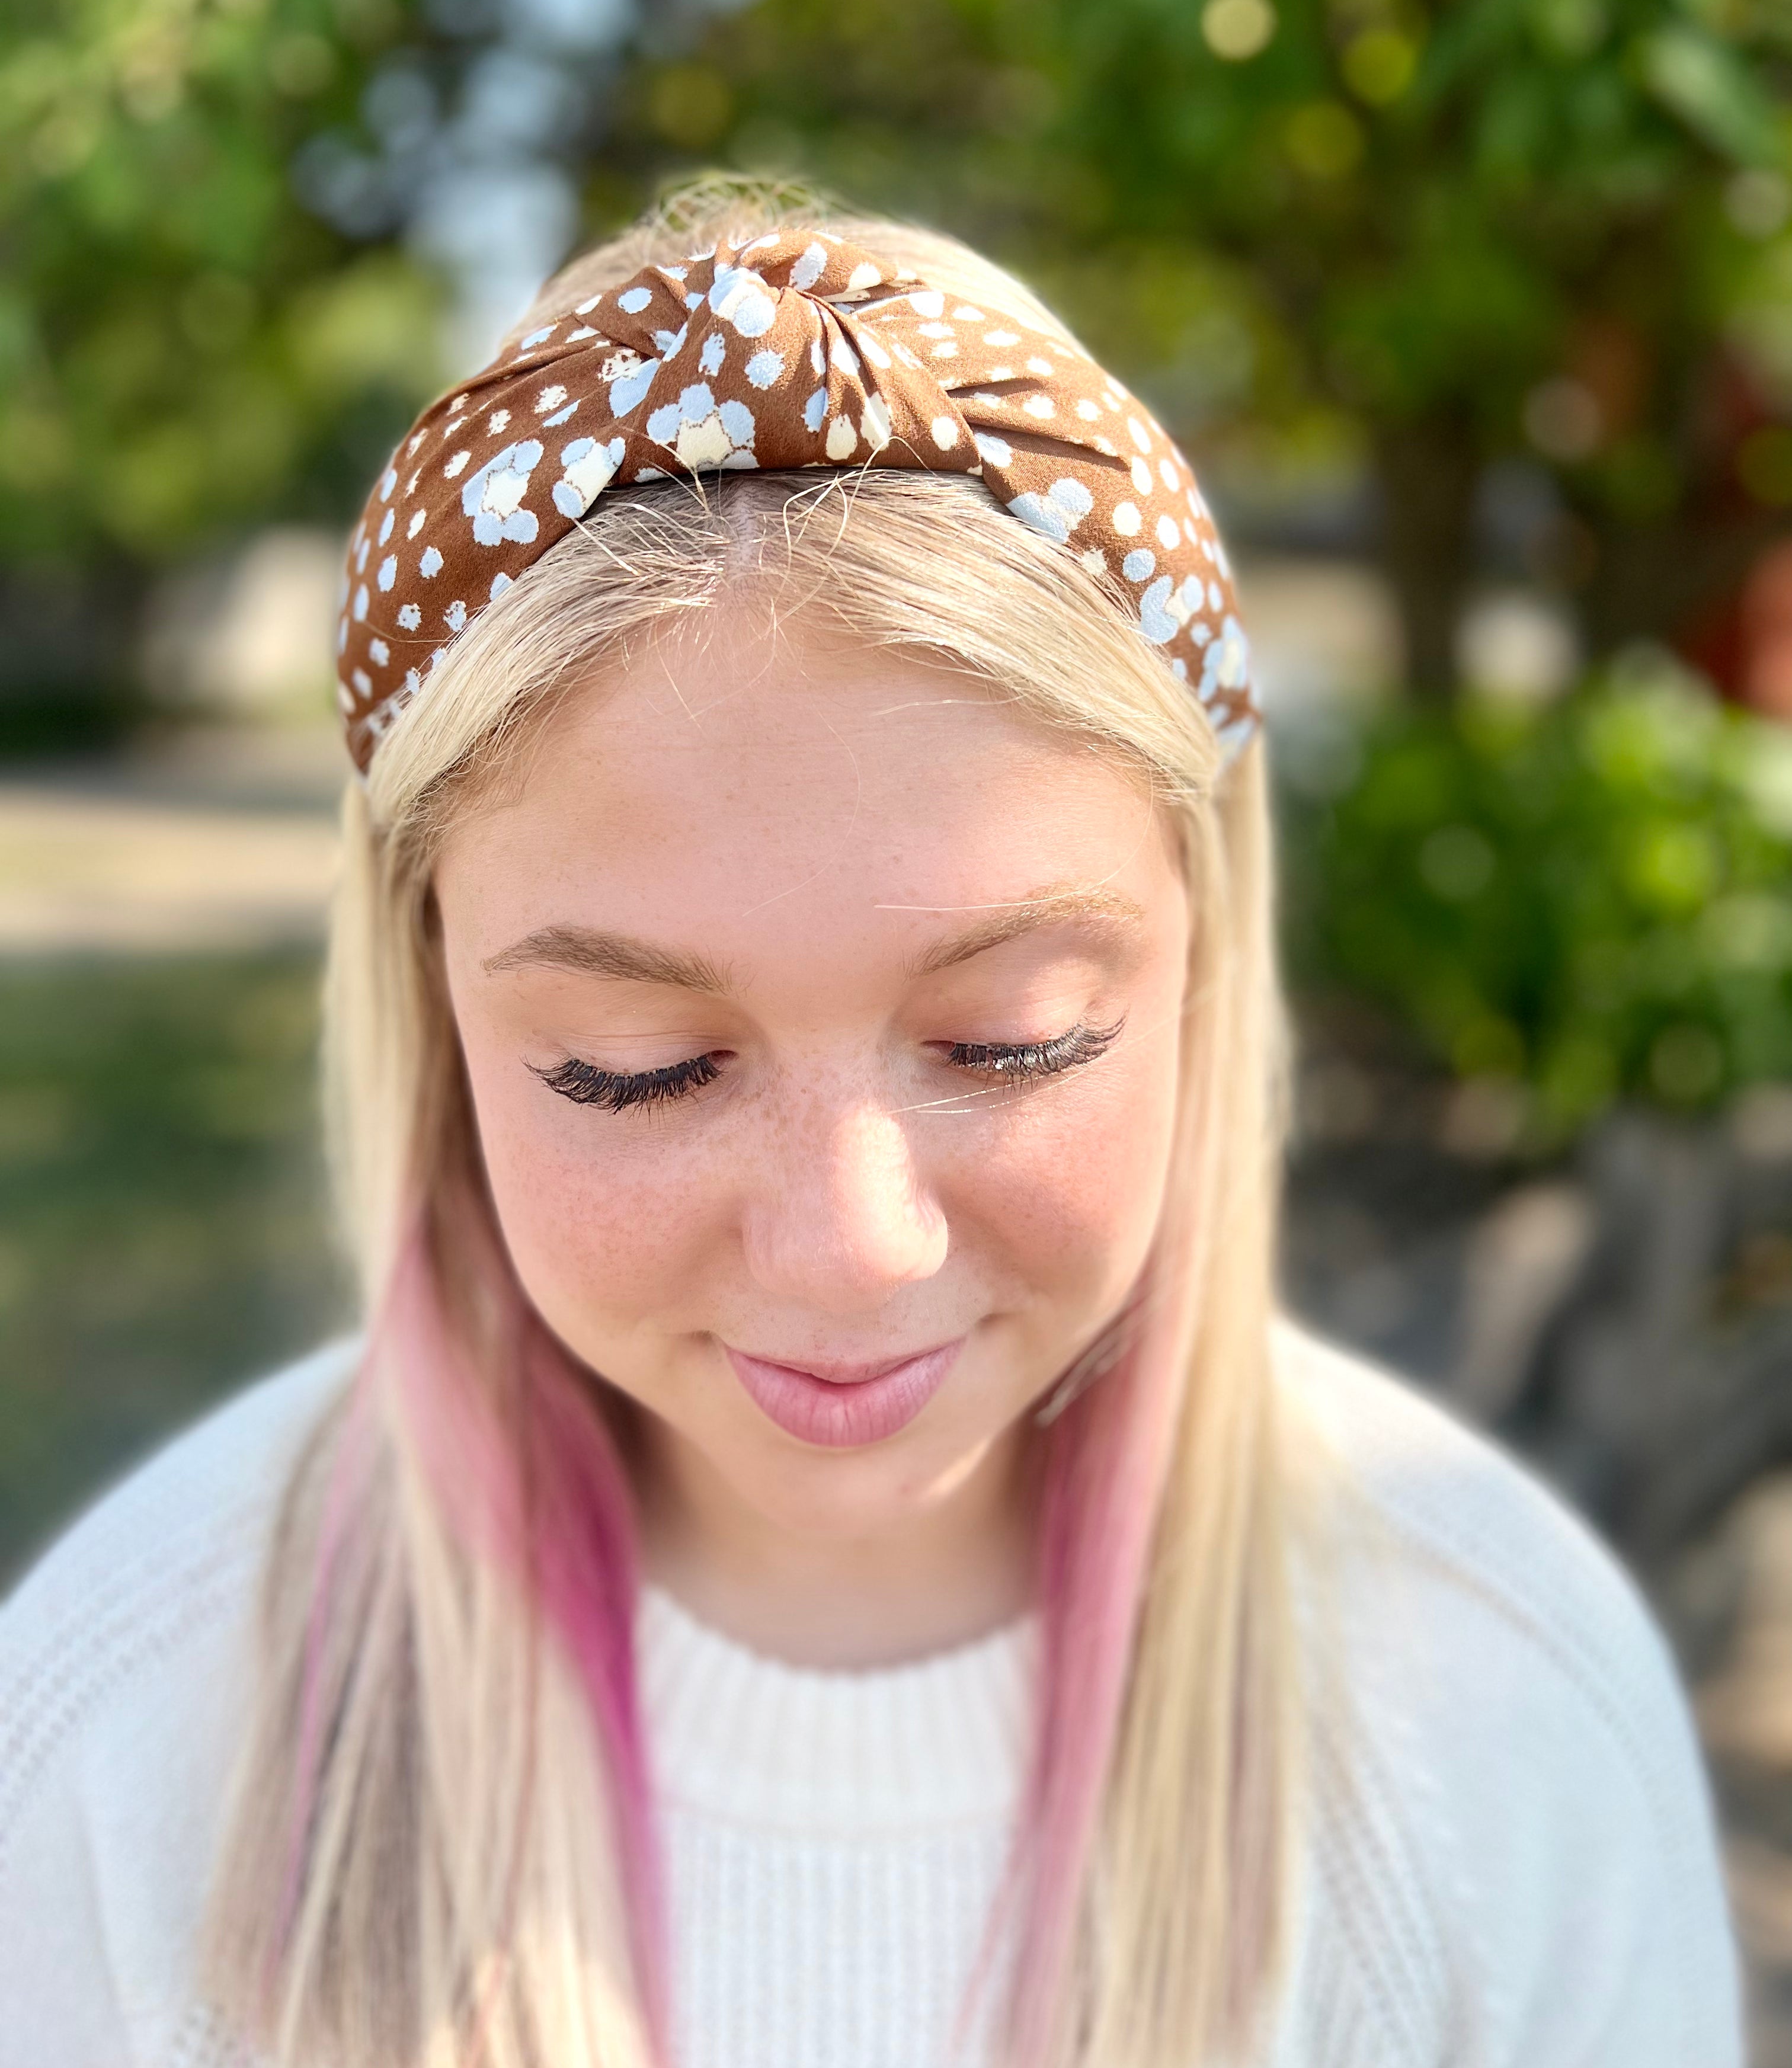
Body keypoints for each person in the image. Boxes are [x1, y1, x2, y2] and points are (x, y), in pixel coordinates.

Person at [0, 185, 1743, 2068]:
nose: (852, 1245)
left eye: (1015, 1041)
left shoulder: (1497, 1710)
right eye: (637, 1064)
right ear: (431, 1006)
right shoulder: (139, 1724)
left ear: (1200, 967)